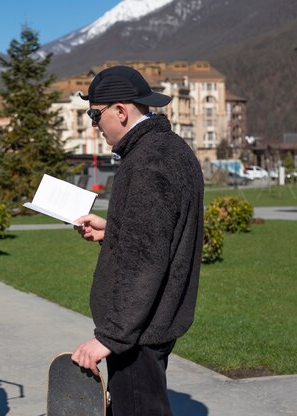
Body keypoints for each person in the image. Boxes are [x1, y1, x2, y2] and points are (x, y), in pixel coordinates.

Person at [71, 66, 204, 416]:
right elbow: (157, 233)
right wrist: (112, 229)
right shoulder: (167, 148)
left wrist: (110, 338)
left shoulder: (148, 161)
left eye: (94, 114)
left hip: (138, 332)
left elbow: (144, 260)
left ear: (120, 111)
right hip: (148, 324)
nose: (93, 124)